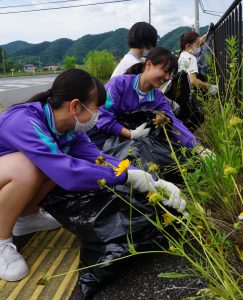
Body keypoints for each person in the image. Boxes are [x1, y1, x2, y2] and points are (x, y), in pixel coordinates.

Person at [0, 68, 186, 282]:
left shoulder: (69, 130)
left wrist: (150, 180)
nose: (98, 114)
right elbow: (67, 173)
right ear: (75, 106)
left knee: (56, 161)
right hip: (10, 172)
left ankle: (25, 217)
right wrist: (125, 178)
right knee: (28, 167)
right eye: (96, 108)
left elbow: (99, 158)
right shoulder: (24, 121)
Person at [97, 47, 213, 156]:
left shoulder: (158, 99)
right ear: (149, 65)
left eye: (171, 74)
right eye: (166, 71)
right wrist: (131, 134)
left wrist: (200, 150)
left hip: (131, 146)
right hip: (103, 140)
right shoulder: (118, 85)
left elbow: (174, 124)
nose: (168, 77)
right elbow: (103, 120)